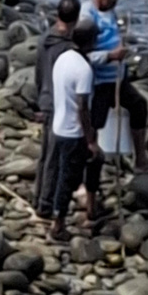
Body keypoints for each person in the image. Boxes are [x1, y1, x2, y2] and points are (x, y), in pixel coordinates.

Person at [80, 0, 148, 172]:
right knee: (95, 123)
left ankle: (140, 158)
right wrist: (110, 56)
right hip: (99, 81)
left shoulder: (110, 12)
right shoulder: (87, 15)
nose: (113, 1)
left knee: (139, 106)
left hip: (118, 77)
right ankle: (87, 168)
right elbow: (84, 54)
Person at [49, 19, 101, 241]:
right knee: (68, 179)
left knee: (60, 173)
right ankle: (58, 224)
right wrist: (90, 139)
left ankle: (68, 213)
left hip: (58, 126)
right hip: (73, 132)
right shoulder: (84, 69)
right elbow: (82, 107)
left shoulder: (62, 59)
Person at [33, 0, 81, 219]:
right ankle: (45, 204)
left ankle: (39, 198)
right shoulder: (67, 47)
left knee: (45, 155)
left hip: (44, 97)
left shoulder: (45, 39)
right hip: (57, 103)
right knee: (53, 157)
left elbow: (39, 72)